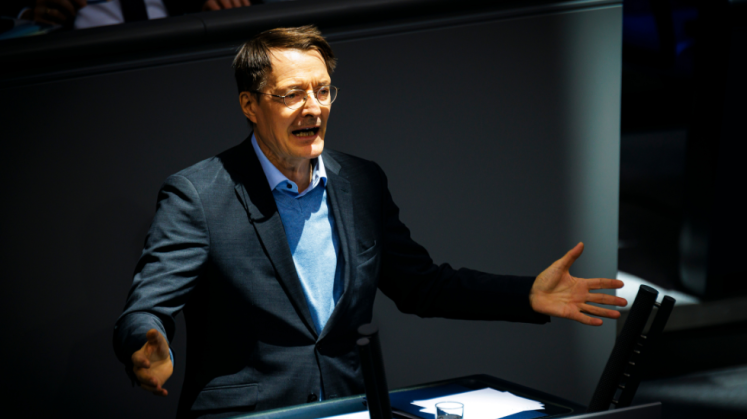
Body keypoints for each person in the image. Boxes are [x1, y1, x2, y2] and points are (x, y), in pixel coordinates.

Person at [113, 25, 627, 418]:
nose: (312, 108)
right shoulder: (198, 194)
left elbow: (422, 286)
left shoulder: (360, 182)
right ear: (250, 105)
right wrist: (145, 342)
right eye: (292, 94)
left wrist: (526, 294)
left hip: (350, 408)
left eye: (322, 91)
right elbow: (147, 306)